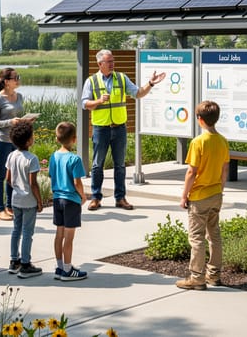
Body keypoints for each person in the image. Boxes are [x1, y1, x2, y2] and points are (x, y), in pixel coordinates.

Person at [81, 49, 165, 211]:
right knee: (97, 165)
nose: (113, 64)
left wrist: (151, 83)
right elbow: (84, 104)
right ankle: (96, 198)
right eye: (109, 61)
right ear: (100, 64)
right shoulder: (91, 81)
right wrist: (98, 101)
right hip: (101, 129)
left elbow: (138, 93)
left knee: (120, 165)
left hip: (119, 128)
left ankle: (120, 198)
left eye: (113, 61)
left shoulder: (121, 78)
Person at [176, 100, 231, 291]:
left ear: (199, 120)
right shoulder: (222, 141)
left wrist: (184, 196)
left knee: (197, 238)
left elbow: (191, 172)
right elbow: (225, 169)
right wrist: (220, 189)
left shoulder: (198, 142)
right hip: (216, 193)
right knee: (214, 235)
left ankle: (197, 278)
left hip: (199, 196)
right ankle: (213, 275)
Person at [0, 68, 36, 221]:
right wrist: (10, 122)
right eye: (15, 77)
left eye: (18, 77)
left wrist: (26, 121)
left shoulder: (19, 96)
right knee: (1, 176)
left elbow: (18, 117)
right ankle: (0, 209)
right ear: (6, 81)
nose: (18, 79)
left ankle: (10, 206)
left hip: (16, 142)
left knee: (13, 175)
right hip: (2, 142)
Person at [49, 121, 89, 281]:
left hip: (57, 199)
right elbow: (76, 182)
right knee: (69, 237)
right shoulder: (75, 159)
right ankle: (68, 269)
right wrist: (83, 196)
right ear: (74, 139)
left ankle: (60, 266)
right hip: (71, 200)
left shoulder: (54, 156)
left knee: (59, 234)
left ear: (57, 139)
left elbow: (52, 176)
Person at [5, 121, 43, 279]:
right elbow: (33, 183)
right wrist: (39, 201)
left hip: (16, 199)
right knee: (27, 232)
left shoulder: (11, 155)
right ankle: (26, 264)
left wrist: (16, 188)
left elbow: (7, 178)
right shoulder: (32, 159)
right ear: (28, 141)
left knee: (16, 230)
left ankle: (14, 261)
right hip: (29, 201)